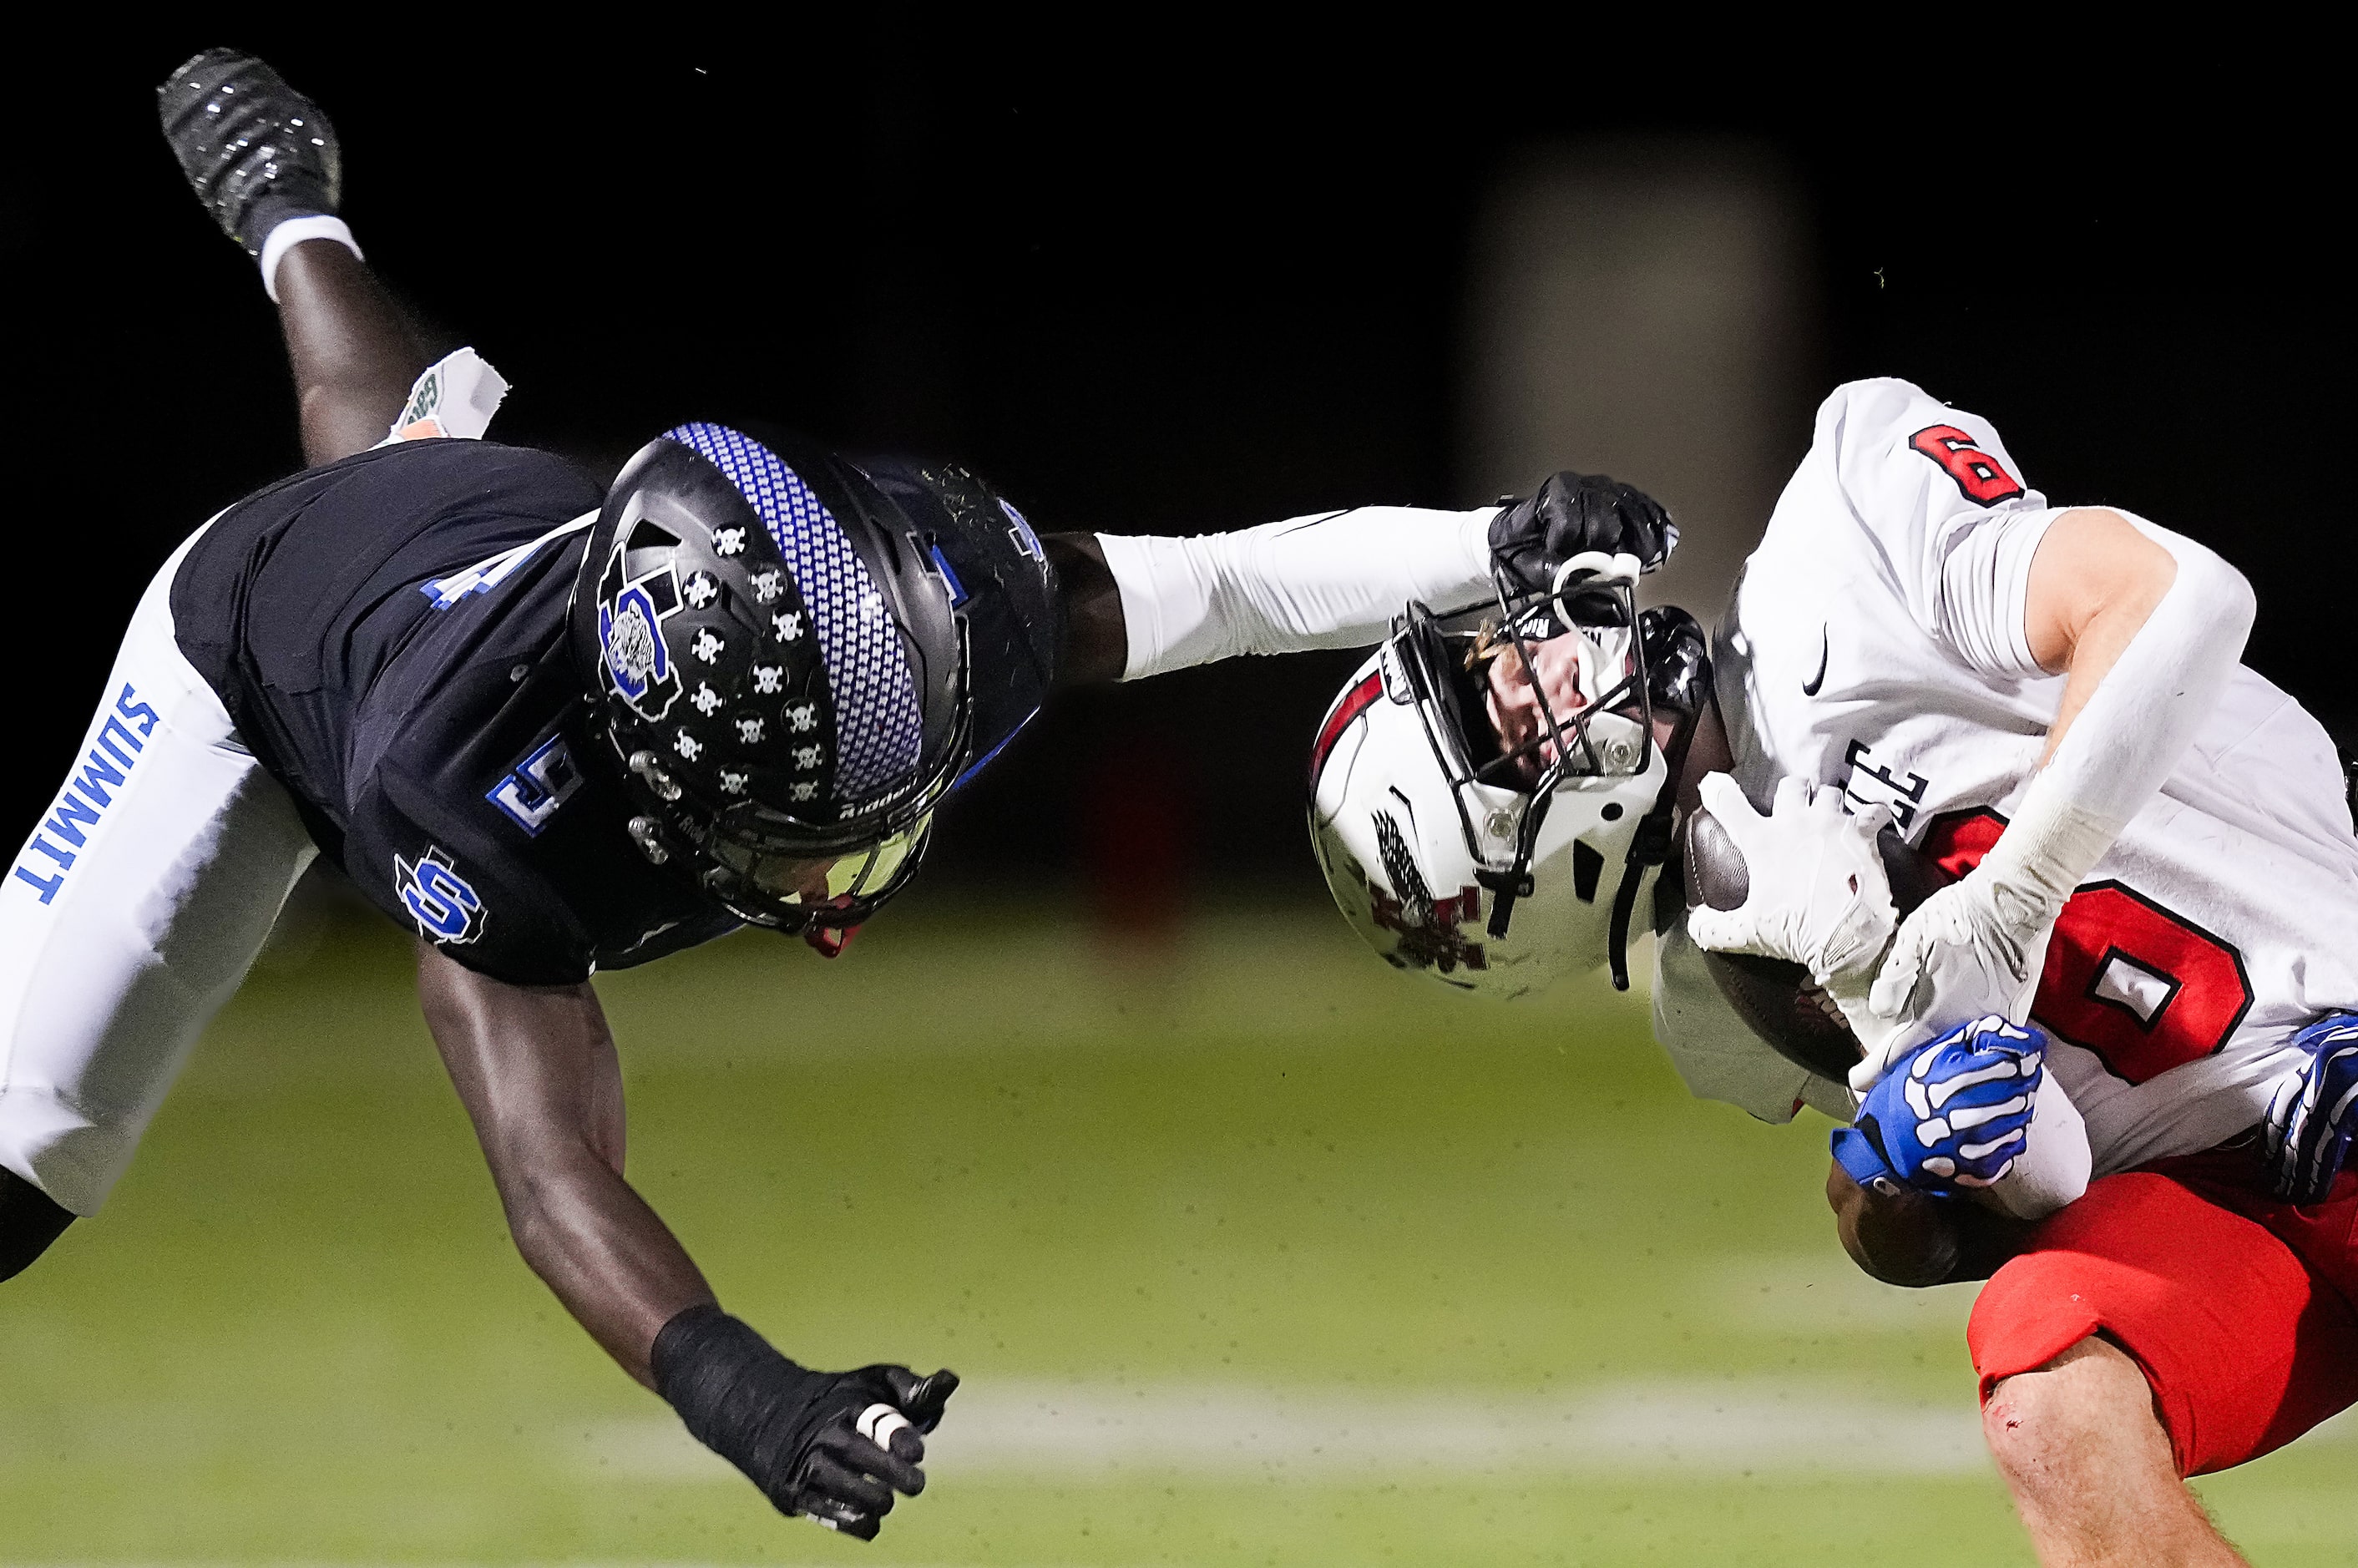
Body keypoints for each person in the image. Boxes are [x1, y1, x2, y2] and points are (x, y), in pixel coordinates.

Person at [0, 48, 1619, 1543]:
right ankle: (292, 221)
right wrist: (741, 1393)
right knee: (29, 1162)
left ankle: (292, 214)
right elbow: (549, 1171)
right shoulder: (476, 803)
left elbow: (1228, 588)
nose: (863, 851)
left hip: (472, 511)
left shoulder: (884, 607)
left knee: (404, 447)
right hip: (250, 661)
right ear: (660, 787)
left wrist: (1499, 542)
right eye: (815, 825)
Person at [1296, 375, 2358, 1565]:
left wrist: (2015, 892)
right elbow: (1967, 1195)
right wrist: (1893, 1157)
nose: (1515, 664)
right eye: (1491, 731)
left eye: (1480, 656)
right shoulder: (1714, 1001)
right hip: (2246, 1201)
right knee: (2050, 1391)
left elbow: (2178, 600)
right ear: (1532, 879)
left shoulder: (1846, 524)